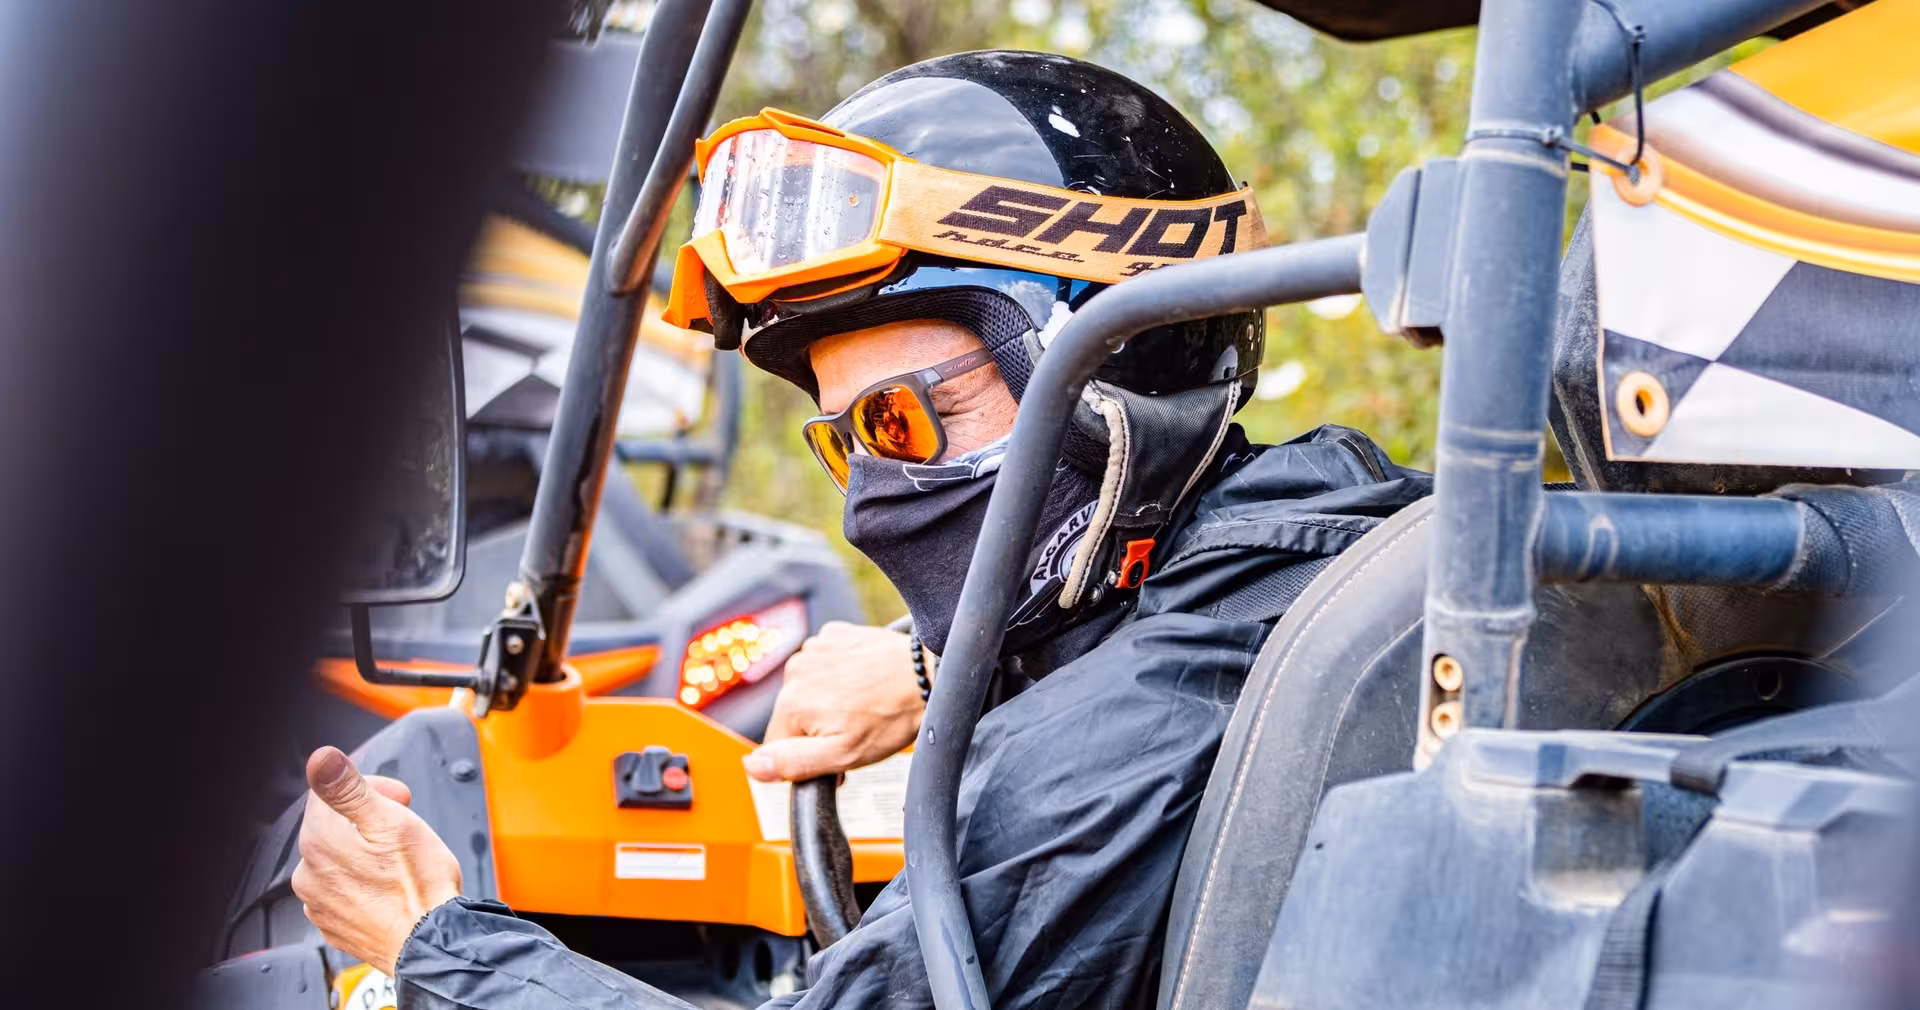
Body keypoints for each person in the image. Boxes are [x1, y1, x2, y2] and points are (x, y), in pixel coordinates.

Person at [292, 50, 1431, 1010]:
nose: (872, 494)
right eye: (848, 437)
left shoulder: (1109, 745)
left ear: (1112, 364)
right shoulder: (1335, 541)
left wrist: (437, 943)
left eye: (900, 415)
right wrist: (940, 665)